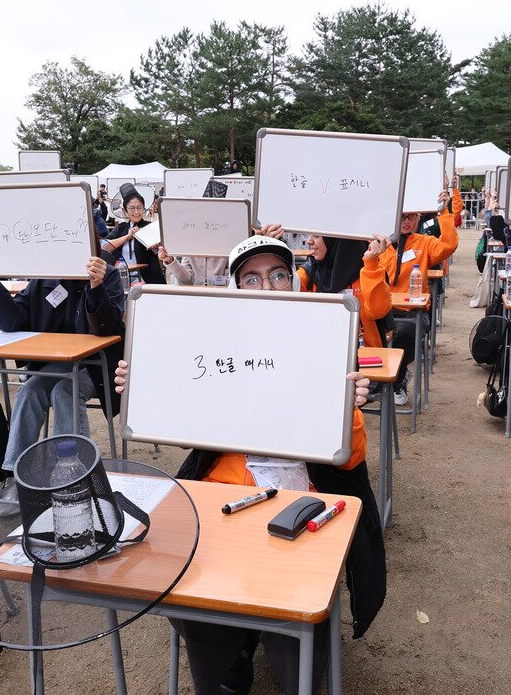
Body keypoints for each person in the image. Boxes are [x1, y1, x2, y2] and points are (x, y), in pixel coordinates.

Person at [113, 235, 386, 694]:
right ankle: (230, 658)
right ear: (236, 289)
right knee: (190, 585)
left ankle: (290, 655)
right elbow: (169, 403)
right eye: (252, 277)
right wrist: (142, 384)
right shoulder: (212, 345)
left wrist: (347, 409)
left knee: (295, 613)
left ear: (294, 282)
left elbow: (350, 458)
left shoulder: (323, 345)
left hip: (303, 502)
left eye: (279, 274)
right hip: (222, 497)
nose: (269, 285)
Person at [0, 250, 124, 501]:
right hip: (58, 364)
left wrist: (95, 286)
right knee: (29, 390)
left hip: (97, 365)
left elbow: (107, 327)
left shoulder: (106, 273)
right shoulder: (44, 279)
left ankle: (72, 475)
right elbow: (14, 320)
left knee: (65, 391)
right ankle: (15, 476)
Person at [379, 182, 461, 405]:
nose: (405, 221)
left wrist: (444, 211)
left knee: (405, 333)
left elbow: (449, 245)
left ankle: (399, 375)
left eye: (410, 217)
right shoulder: (380, 243)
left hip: (412, 311)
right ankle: (381, 379)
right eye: (401, 216)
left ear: (417, 219)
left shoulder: (424, 243)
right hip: (381, 309)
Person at [298, 234, 394, 348]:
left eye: (316, 236)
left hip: (367, 357)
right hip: (322, 352)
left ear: (334, 240)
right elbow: (282, 296)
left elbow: (378, 311)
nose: (309, 241)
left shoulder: (369, 269)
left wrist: (371, 262)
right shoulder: (309, 273)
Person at [102, 183, 166, 285]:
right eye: (132, 208)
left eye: (139, 207)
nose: (136, 212)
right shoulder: (121, 228)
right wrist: (127, 237)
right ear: (126, 210)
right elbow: (104, 247)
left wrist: (156, 247)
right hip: (123, 280)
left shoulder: (150, 227)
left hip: (148, 280)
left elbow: (162, 252)